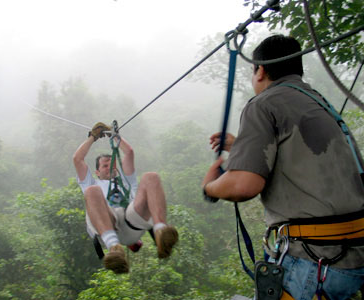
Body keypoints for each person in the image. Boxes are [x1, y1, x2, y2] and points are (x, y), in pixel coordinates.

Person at [202, 35, 364, 300]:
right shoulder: (320, 102)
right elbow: (305, 156)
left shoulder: (264, 103)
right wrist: (241, 147)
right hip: (353, 258)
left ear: (261, 70)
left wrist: (209, 186)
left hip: (314, 262)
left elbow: (244, 185)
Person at [73, 122, 178, 274]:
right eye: (104, 165)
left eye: (111, 163)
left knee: (151, 177)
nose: (109, 167)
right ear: (97, 172)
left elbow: (129, 152)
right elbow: (77, 159)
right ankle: (114, 248)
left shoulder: (126, 179)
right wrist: (92, 138)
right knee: (92, 191)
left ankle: (161, 231)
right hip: (106, 223)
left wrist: (114, 136)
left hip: (131, 223)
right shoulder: (92, 183)